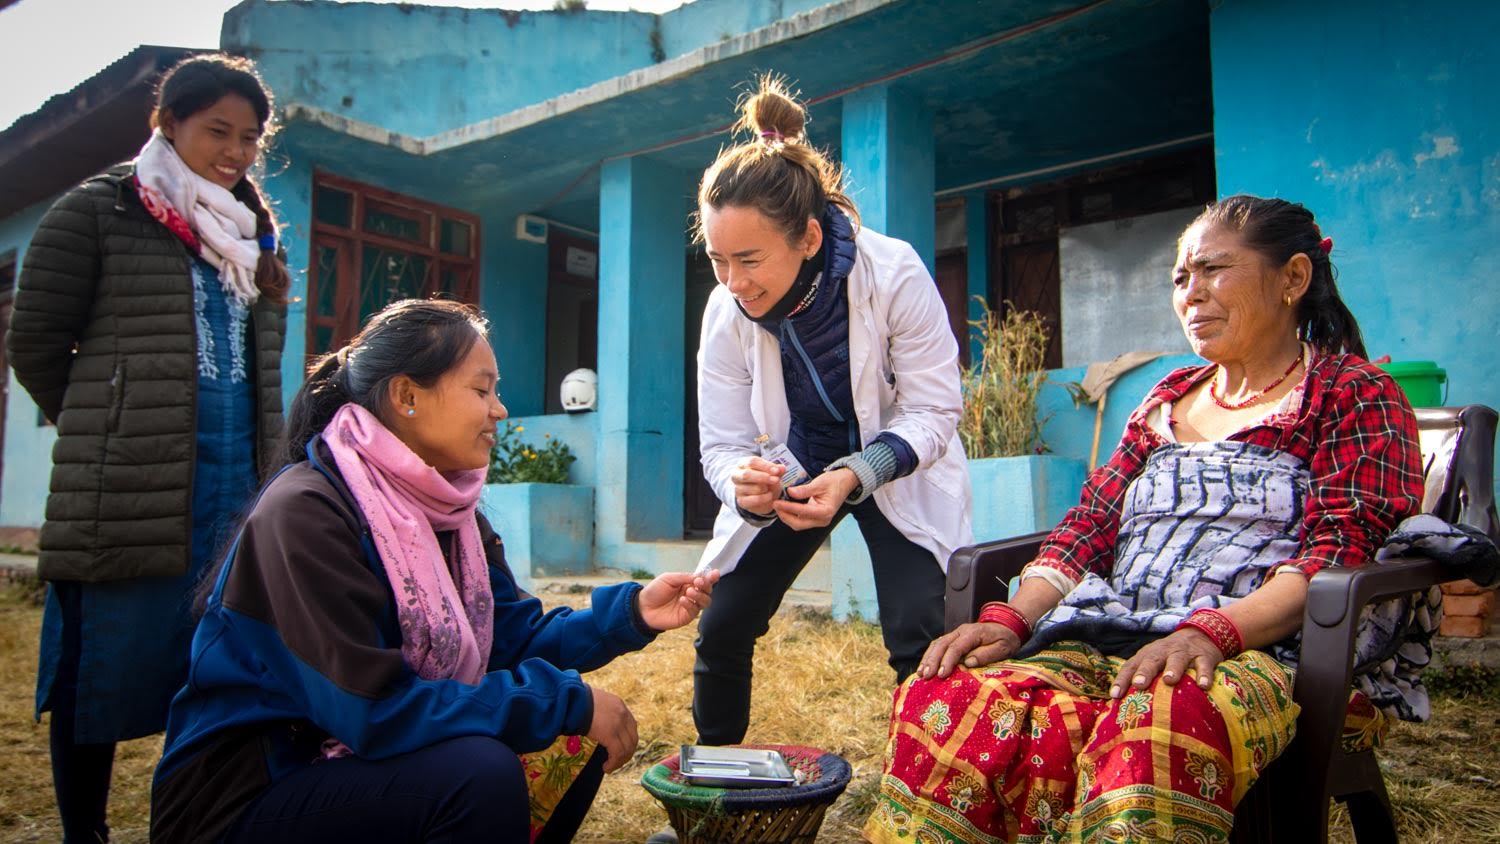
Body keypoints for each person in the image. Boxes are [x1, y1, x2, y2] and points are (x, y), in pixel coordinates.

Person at [863, 195, 1427, 843]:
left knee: (1160, 725)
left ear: (1293, 279)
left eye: (1214, 270)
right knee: (950, 698)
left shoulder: (1350, 394)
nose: (1191, 294)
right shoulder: (1167, 400)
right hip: (1114, 627)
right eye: (1180, 279)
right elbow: (1091, 527)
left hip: (1262, 648)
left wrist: (1210, 632)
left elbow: (1339, 548)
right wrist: (1012, 616)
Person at [149, 298, 719, 844]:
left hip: (351, 764)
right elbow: (371, 708)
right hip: (248, 800)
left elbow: (512, 639)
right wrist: (565, 702)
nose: (499, 409)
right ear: (407, 396)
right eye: (481, 389)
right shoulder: (305, 513)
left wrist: (631, 614)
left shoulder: (450, 514)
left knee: (564, 740)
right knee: (481, 771)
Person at [7, 54, 290, 843]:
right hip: (126, 491)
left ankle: (192, 822)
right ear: (168, 124)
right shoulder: (98, 212)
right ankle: (84, 833)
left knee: (209, 670)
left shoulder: (255, 238)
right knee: (101, 670)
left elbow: (261, 370)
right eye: (216, 132)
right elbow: (34, 344)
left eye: (249, 138)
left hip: (233, 483)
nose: (234, 152)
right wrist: (109, 424)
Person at [692, 76, 972, 748]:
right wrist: (744, 483)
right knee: (724, 623)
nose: (733, 283)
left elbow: (935, 409)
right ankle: (715, 782)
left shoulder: (894, 274)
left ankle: (928, 786)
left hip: (893, 460)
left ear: (810, 238)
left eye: (750, 260)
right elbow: (722, 444)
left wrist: (856, 473)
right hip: (799, 466)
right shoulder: (725, 312)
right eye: (716, 260)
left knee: (921, 634)